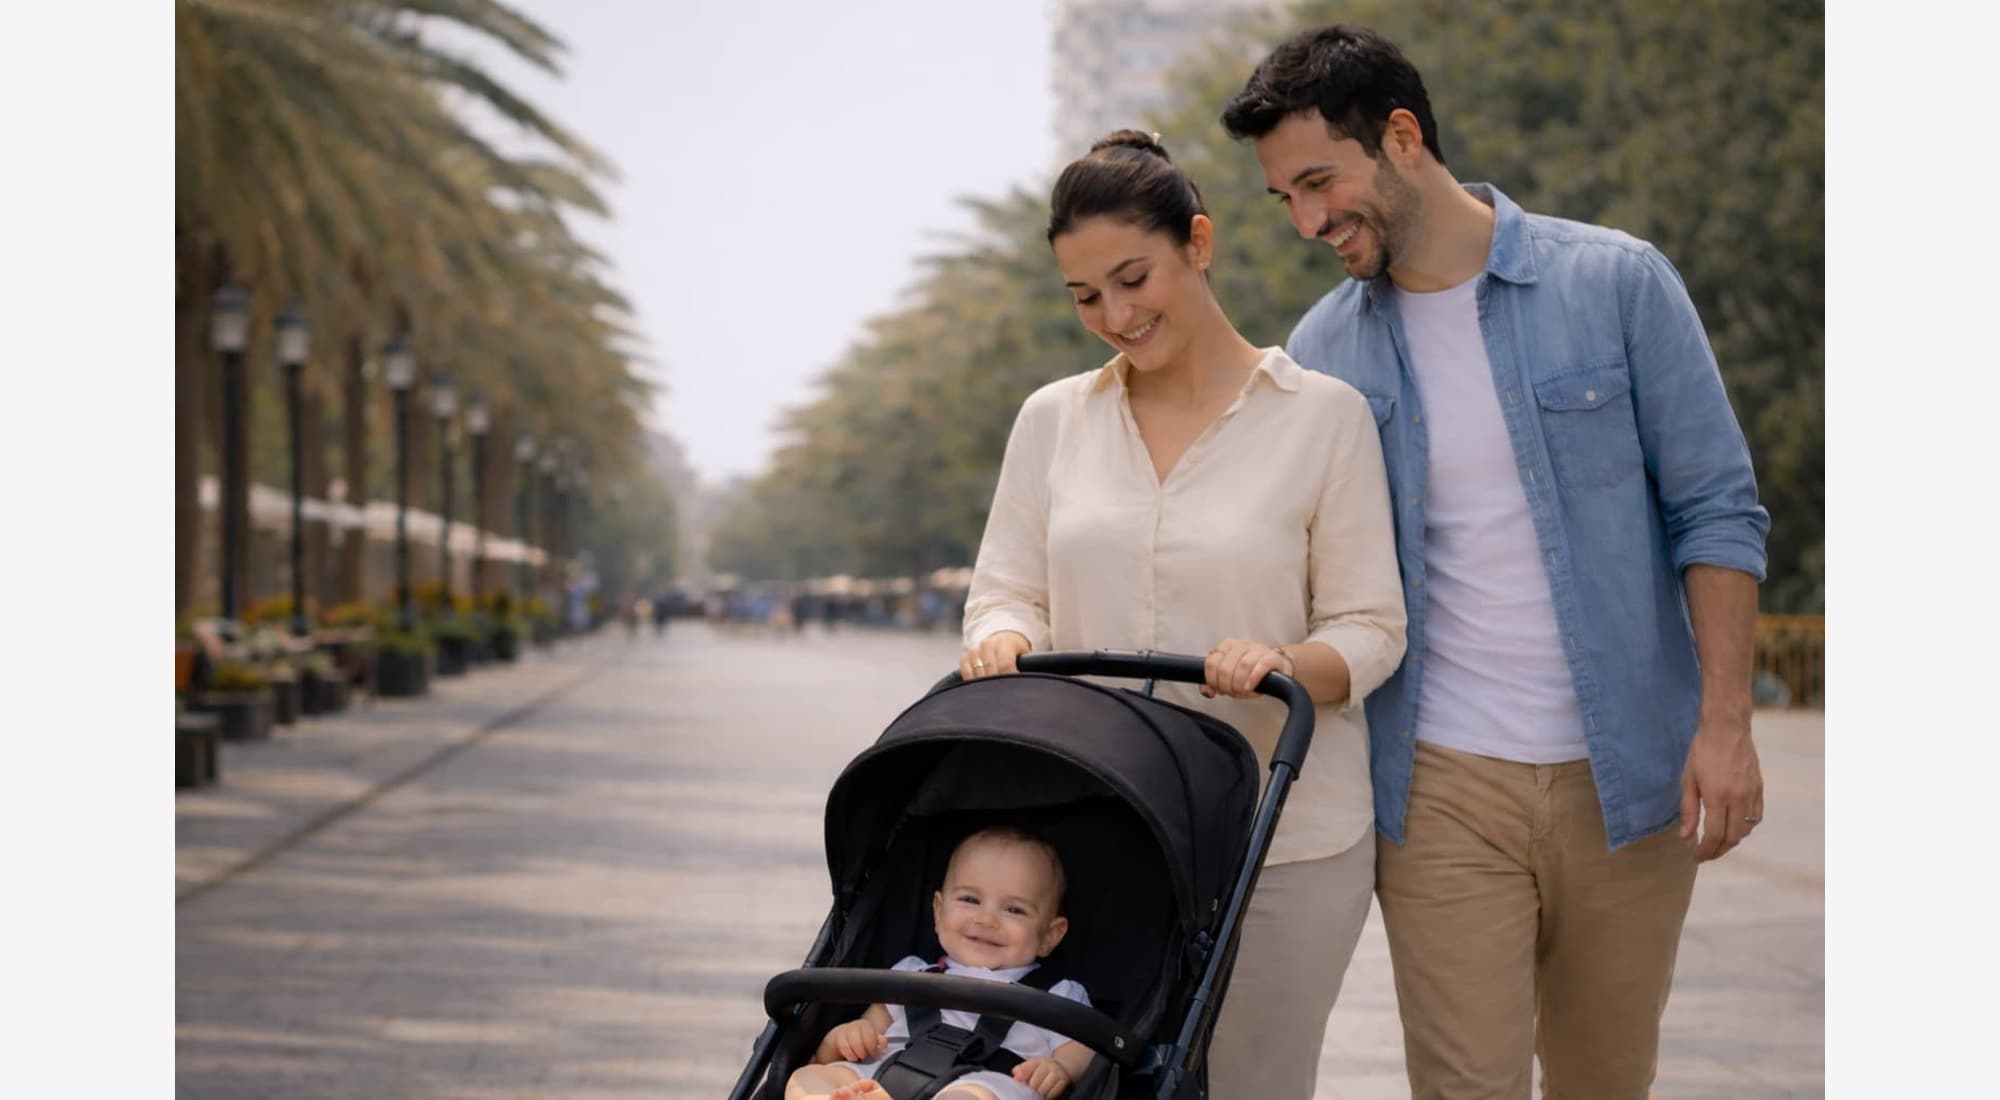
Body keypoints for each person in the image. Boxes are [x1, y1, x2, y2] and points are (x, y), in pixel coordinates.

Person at [1221, 25, 1772, 1099]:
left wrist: (1725, 724)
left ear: (1400, 135)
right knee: (1462, 1085)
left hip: (1631, 776)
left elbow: (1714, 507)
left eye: (1319, 182)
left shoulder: (1614, 283)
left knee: (1602, 1078)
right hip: (1437, 785)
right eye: (1282, 197)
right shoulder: (1322, 350)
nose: (1305, 220)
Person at [959, 131, 1406, 1098]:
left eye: (1134, 278)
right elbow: (1006, 586)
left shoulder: (1324, 417)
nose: (1115, 315)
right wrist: (1004, 637)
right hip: (1105, 827)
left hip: (1282, 842)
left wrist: (1284, 657)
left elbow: (1372, 626)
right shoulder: (1051, 420)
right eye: (1085, 297)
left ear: (1197, 243)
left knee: (1252, 1086)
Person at [785, 828, 1094, 1100]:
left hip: (988, 1082)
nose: (986, 919)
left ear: (1050, 936)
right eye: (970, 900)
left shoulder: (1058, 994)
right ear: (938, 910)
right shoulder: (910, 973)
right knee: (808, 1079)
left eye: (1014, 909)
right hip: (884, 1071)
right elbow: (863, 1034)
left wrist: (1060, 1068)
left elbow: (1085, 1052)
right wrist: (848, 1038)